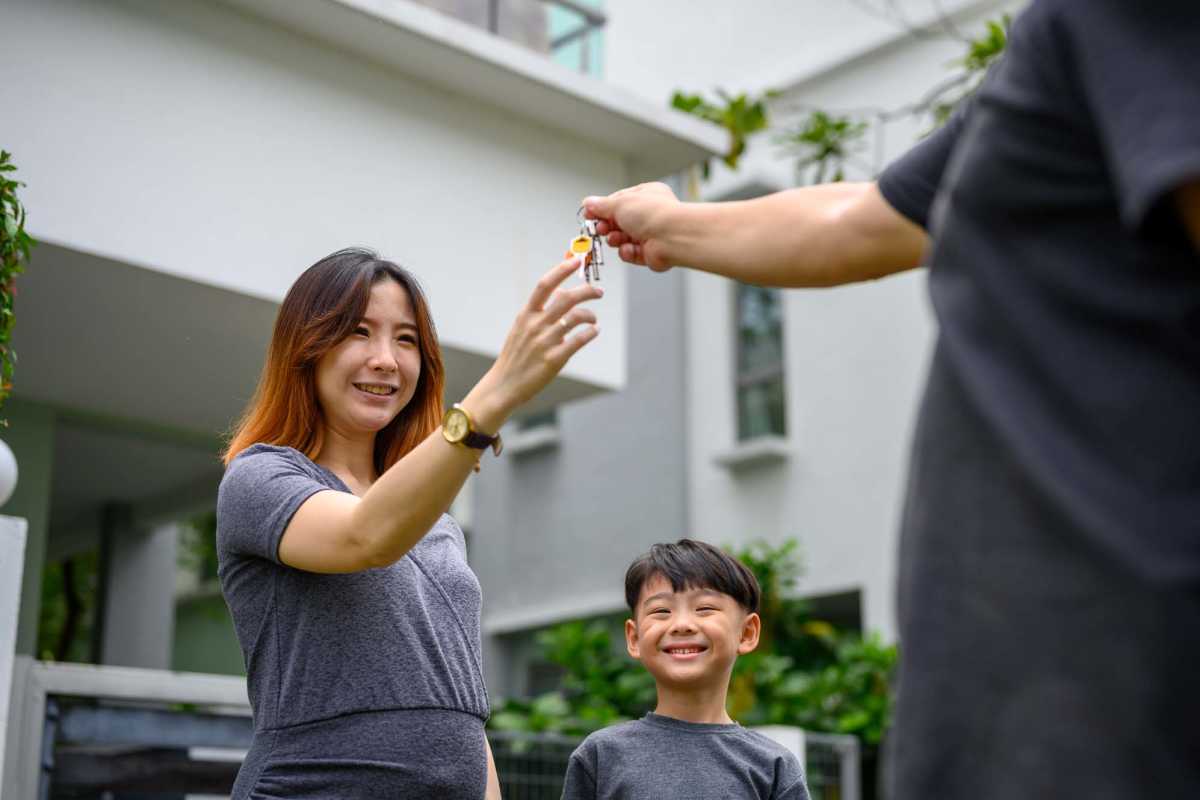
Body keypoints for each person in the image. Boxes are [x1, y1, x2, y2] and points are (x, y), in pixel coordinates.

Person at [583, 2, 1200, 796]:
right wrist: (671, 226)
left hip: (1130, 668)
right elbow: (864, 220)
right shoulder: (1063, 44)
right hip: (1021, 684)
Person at [216, 247, 601, 798]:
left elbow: (460, 709)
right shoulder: (261, 479)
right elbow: (365, 536)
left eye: (405, 340)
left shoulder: (437, 524)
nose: (386, 360)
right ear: (306, 348)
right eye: (359, 333)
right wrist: (496, 392)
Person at [561, 539, 810, 800]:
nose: (681, 624)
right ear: (634, 638)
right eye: (661, 610)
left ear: (747, 633)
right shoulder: (601, 756)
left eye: (704, 609)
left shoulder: (773, 766)